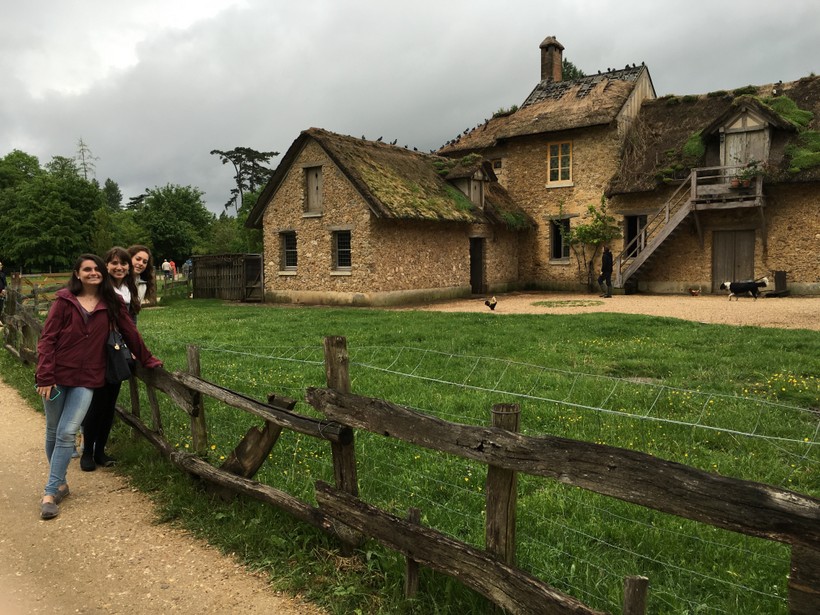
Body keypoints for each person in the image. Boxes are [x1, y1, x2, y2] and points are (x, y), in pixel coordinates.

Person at [35, 254, 162, 519]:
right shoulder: (63, 301)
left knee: (68, 432)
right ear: (77, 273)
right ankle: (59, 483)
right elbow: (47, 339)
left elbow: (130, 332)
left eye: (97, 269)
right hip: (57, 377)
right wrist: (45, 375)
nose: (93, 273)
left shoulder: (112, 302)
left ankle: (50, 492)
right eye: (87, 269)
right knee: (53, 430)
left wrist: (147, 358)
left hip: (88, 378)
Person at [80, 247, 142, 472]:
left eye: (123, 263)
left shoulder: (129, 289)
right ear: (106, 265)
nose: (119, 267)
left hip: (117, 349)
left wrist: (134, 348)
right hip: (98, 350)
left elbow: (131, 323)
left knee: (109, 405)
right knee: (96, 404)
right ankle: (86, 452)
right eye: (114, 263)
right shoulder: (100, 289)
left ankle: (100, 451)